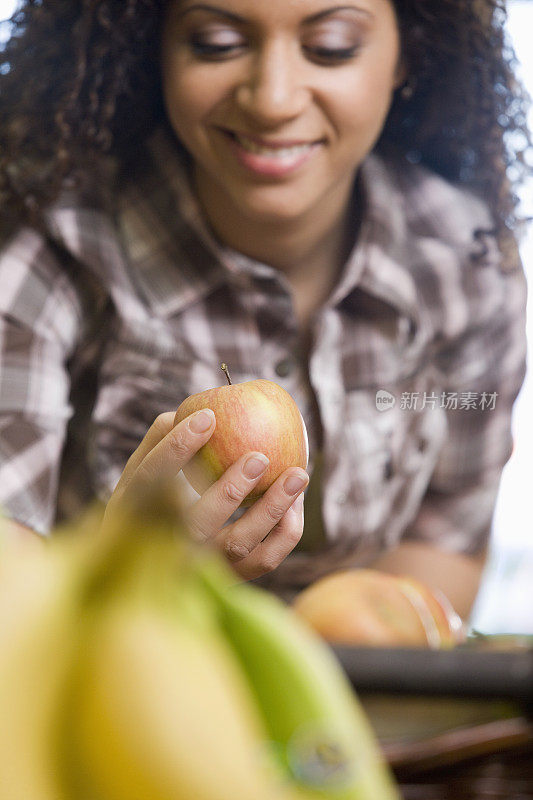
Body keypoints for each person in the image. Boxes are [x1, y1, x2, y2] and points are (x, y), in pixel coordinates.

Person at [0, 0, 529, 620]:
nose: (273, 100)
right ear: (154, 46)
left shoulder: (467, 260)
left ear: (408, 50)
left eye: (331, 46)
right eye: (217, 42)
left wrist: (348, 636)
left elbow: (444, 543)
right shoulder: (50, 247)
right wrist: (125, 566)